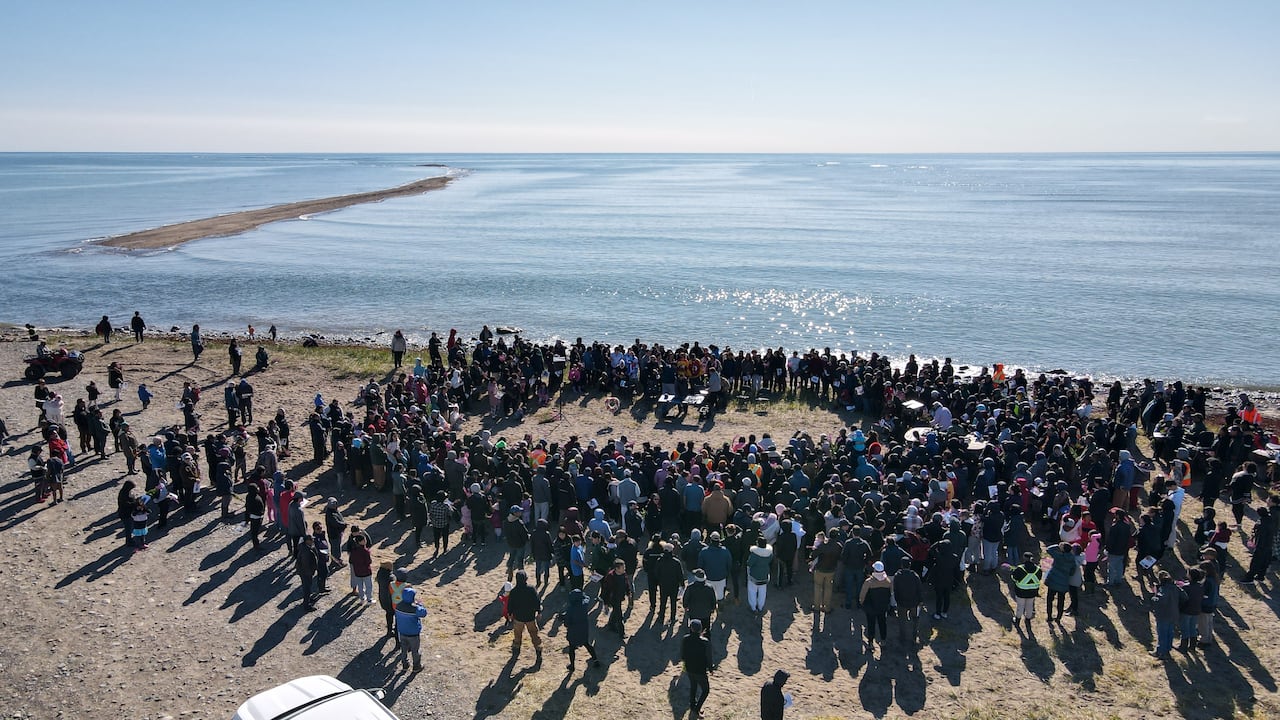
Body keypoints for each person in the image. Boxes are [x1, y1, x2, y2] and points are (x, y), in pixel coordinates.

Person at [681, 619, 714, 719]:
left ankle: (693, 706)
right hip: (700, 670)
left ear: (691, 628)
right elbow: (709, 657)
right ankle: (696, 709)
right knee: (706, 690)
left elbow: (682, 655)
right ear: (700, 629)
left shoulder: (685, 639)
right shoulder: (705, 642)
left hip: (689, 668)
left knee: (693, 686)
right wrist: (711, 668)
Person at [507, 570, 543, 659]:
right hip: (530, 617)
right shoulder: (531, 589)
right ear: (525, 579)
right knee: (534, 634)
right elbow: (537, 601)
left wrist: (510, 614)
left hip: (518, 617)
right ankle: (538, 650)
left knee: (517, 634)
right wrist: (539, 612)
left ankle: (516, 648)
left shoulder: (513, 591)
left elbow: (510, 604)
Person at [563, 588, 601, 671]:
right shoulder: (584, 604)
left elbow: (567, 623)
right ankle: (595, 660)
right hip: (583, 628)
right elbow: (587, 597)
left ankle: (572, 666)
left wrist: (564, 618)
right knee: (587, 644)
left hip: (573, 631)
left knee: (572, 648)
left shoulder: (570, 609)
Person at [859, 561, 892, 652]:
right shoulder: (887, 581)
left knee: (871, 625)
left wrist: (861, 602)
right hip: (882, 607)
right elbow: (890, 593)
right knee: (882, 623)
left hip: (871, 607)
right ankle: (883, 640)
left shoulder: (869, 582)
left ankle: (870, 643)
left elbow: (862, 595)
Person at [394, 587, 429, 672]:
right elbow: (423, 613)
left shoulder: (398, 605)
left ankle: (405, 665)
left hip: (402, 632)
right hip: (413, 634)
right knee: (415, 651)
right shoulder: (414, 609)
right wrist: (420, 605)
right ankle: (416, 666)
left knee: (404, 650)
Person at [1149, 570, 1180, 660]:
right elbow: (1184, 597)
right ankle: (1167, 649)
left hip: (1163, 614)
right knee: (1170, 632)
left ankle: (1160, 652)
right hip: (1173, 613)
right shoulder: (1176, 587)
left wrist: (1154, 597)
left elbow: (1161, 599)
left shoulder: (1163, 589)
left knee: (1162, 633)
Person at [1011, 551, 1042, 632]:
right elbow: (1039, 578)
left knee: (1020, 606)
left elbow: (1014, 578)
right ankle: (1028, 619)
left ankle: (1017, 620)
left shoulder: (1020, 568)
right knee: (1030, 606)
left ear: (1024, 558)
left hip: (1021, 591)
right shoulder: (1038, 569)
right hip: (1032, 592)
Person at [600, 558, 632, 637]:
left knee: (615, 612)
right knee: (619, 615)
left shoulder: (623, 574)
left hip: (620, 597)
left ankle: (611, 624)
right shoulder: (610, 577)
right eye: (623, 567)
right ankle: (622, 633)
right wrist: (606, 603)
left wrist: (628, 592)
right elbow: (606, 591)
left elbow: (626, 583)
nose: (624, 568)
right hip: (613, 599)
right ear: (617, 568)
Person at [683, 569, 717, 636]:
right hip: (706, 614)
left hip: (694, 613)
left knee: (694, 630)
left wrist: (685, 606)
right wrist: (713, 608)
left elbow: (685, 599)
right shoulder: (709, 588)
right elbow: (713, 600)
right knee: (706, 630)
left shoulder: (690, 587)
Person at [746, 536, 774, 616]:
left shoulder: (754, 554)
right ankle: (760, 607)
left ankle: (753, 607)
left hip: (754, 576)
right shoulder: (769, 553)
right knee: (762, 592)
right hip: (764, 575)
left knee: (752, 591)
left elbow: (749, 563)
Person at [376, 562, 399, 647]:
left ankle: (389, 631)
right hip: (391, 600)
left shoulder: (379, 574)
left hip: (383, 598)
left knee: (388, 614)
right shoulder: (391, 577)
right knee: (396, 617)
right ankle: (397, 636)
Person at [295, 534, 320, 611]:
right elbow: (306, 564)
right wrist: (310, 572)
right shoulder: (306, 551)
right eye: (311, 540)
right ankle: (306, 605)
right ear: (307, 541)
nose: (313, 541)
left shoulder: (305, 548)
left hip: (304, 571)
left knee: (307, 587)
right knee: (307, 588)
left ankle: (308, 599)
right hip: (305, 572)